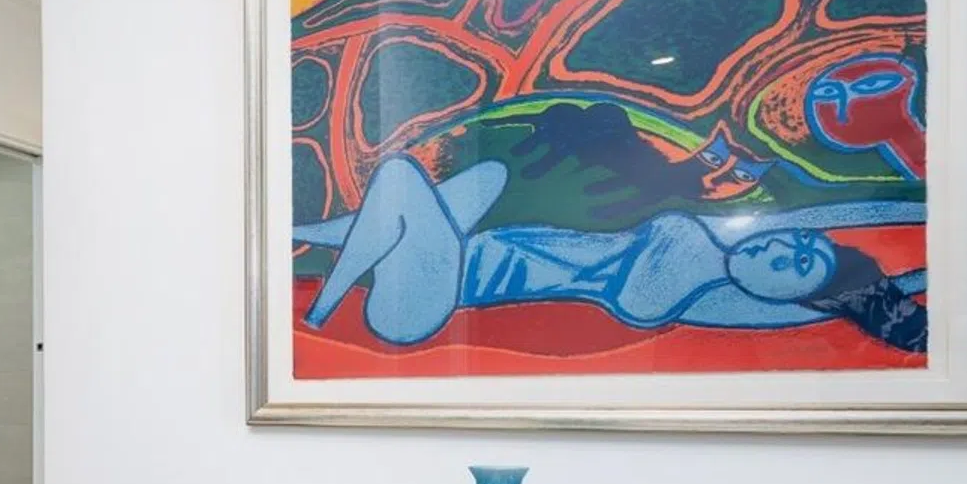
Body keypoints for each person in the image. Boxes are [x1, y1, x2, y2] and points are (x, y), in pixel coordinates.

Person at [295, 156, 927, 351]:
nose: (782, 244)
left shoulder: (715, 300)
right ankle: (323, 234)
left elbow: (848, 299)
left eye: (793, 267)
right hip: (457, 251)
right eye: (798, 241)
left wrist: (922, 279)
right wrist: (931, 213)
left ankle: (328, 294)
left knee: (401, 178)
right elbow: (827, 217)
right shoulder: (721, 238)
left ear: (789, 301)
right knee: (488, 174)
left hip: (433, 296)